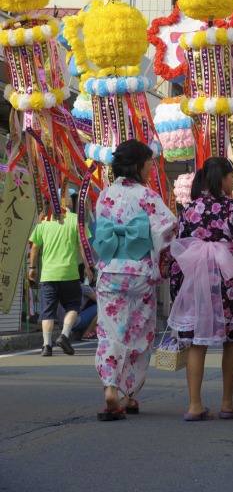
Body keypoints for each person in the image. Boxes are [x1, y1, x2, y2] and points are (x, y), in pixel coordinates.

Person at [92, 139, 177, 421]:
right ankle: (128, 394)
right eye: (149, 162)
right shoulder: (147, 195)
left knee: (110, 332)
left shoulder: (105, 194)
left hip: (109, 270)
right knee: (139, 332)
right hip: (139, 272)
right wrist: (163, 266)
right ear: (138, 165)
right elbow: (167, 230)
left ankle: (110, 386)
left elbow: (102, 229)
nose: (152, 167)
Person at [168, 157, 233, 422]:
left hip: (196, 281)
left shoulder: (188, 210)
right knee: (231, 340)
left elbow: (179, 251)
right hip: (227, 282)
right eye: (232, 177)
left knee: (195, 341)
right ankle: (227, 402)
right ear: (223, 178)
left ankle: (195, 404)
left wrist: (176, 290)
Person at [28, 193, 92, 357]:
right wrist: (87, 267)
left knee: (47, 311)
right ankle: (64, 335)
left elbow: (35, 247)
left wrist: (33, 268)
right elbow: (83, 245)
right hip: (69, 274)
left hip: (48, 275)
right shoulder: (76, 220)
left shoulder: (44, 221)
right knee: (73, 306)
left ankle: (46, 346)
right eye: (68, 196)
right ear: (65, 202)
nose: (70, 199)